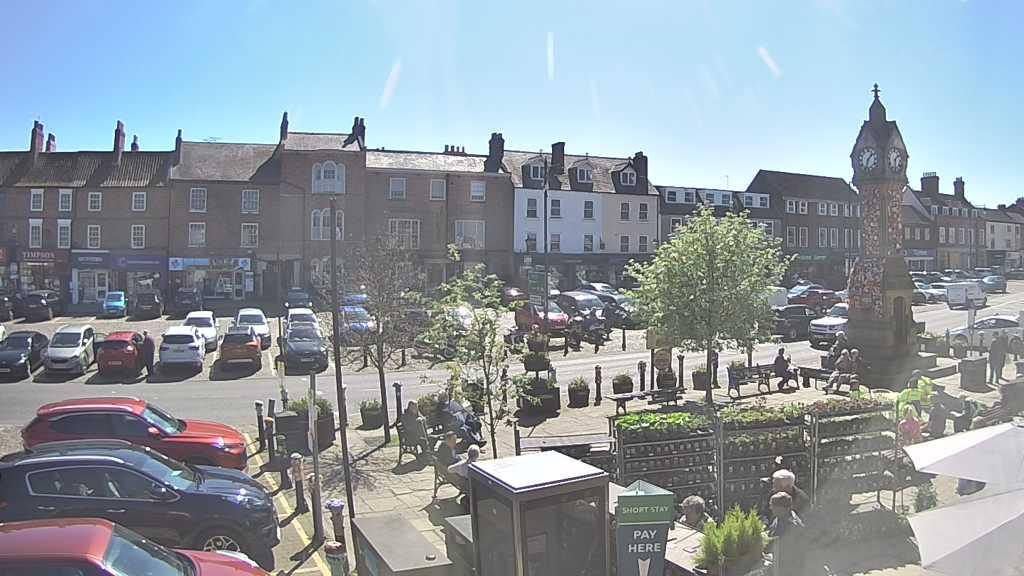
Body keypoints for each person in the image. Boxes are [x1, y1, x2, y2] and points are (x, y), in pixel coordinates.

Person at [766, 491, 807, 576]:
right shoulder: (780, 517)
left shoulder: (792, 526)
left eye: (772, 506)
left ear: (782, 508)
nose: (770, 508)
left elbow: (788, 549)